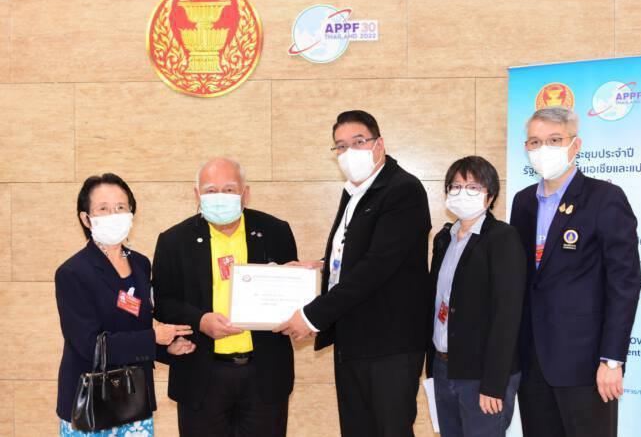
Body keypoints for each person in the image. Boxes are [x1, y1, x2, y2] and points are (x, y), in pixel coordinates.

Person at [275, 110, 432, 437]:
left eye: (358, 142)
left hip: (390, 343)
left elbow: (378, 265)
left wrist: (312, 316)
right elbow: (359, 249)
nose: (349, 152)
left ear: (379, 144)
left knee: (390, 430)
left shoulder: (403, 189)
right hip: (354, 339)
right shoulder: (355, 191)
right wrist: (321, 264)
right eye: (341, 146)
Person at [510, 107, 641, 437]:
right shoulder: (523, 202)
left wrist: (612, 359)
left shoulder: (604, 198)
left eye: (554, 140)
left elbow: (624, 284)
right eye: (535, 142)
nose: (543, 148)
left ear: (575, 145)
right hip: (533, 362)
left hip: (586, 364)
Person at [152, 157, 298, 437]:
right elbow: (162, 302)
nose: (220, 197)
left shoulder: (275, 231)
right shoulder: (173, 240)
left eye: (229, 189)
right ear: (197, 195)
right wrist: (200, 320)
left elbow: (290, 293)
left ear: (245, 193)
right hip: (201, 374)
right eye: (210, 190)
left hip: (264, 373)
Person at [55, 173, 195, 437]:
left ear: (131, 213)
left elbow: (135, 326)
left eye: (121, 207)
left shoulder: (140, 264)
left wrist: (165, 348)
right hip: (90, 405)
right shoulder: (73, 273)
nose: (114, 215)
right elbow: (89, 345)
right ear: (86, 218)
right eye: (103, 209)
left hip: (134, 401)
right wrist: (154, 337)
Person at [426, 156, 526, 437]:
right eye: (455, 186)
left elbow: (507, 315)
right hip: (443, 367)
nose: (462, 193)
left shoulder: (502, 238)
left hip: (483, 375)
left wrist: (494, 384)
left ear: (489, 195)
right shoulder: (444, 238)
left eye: (473, 187)